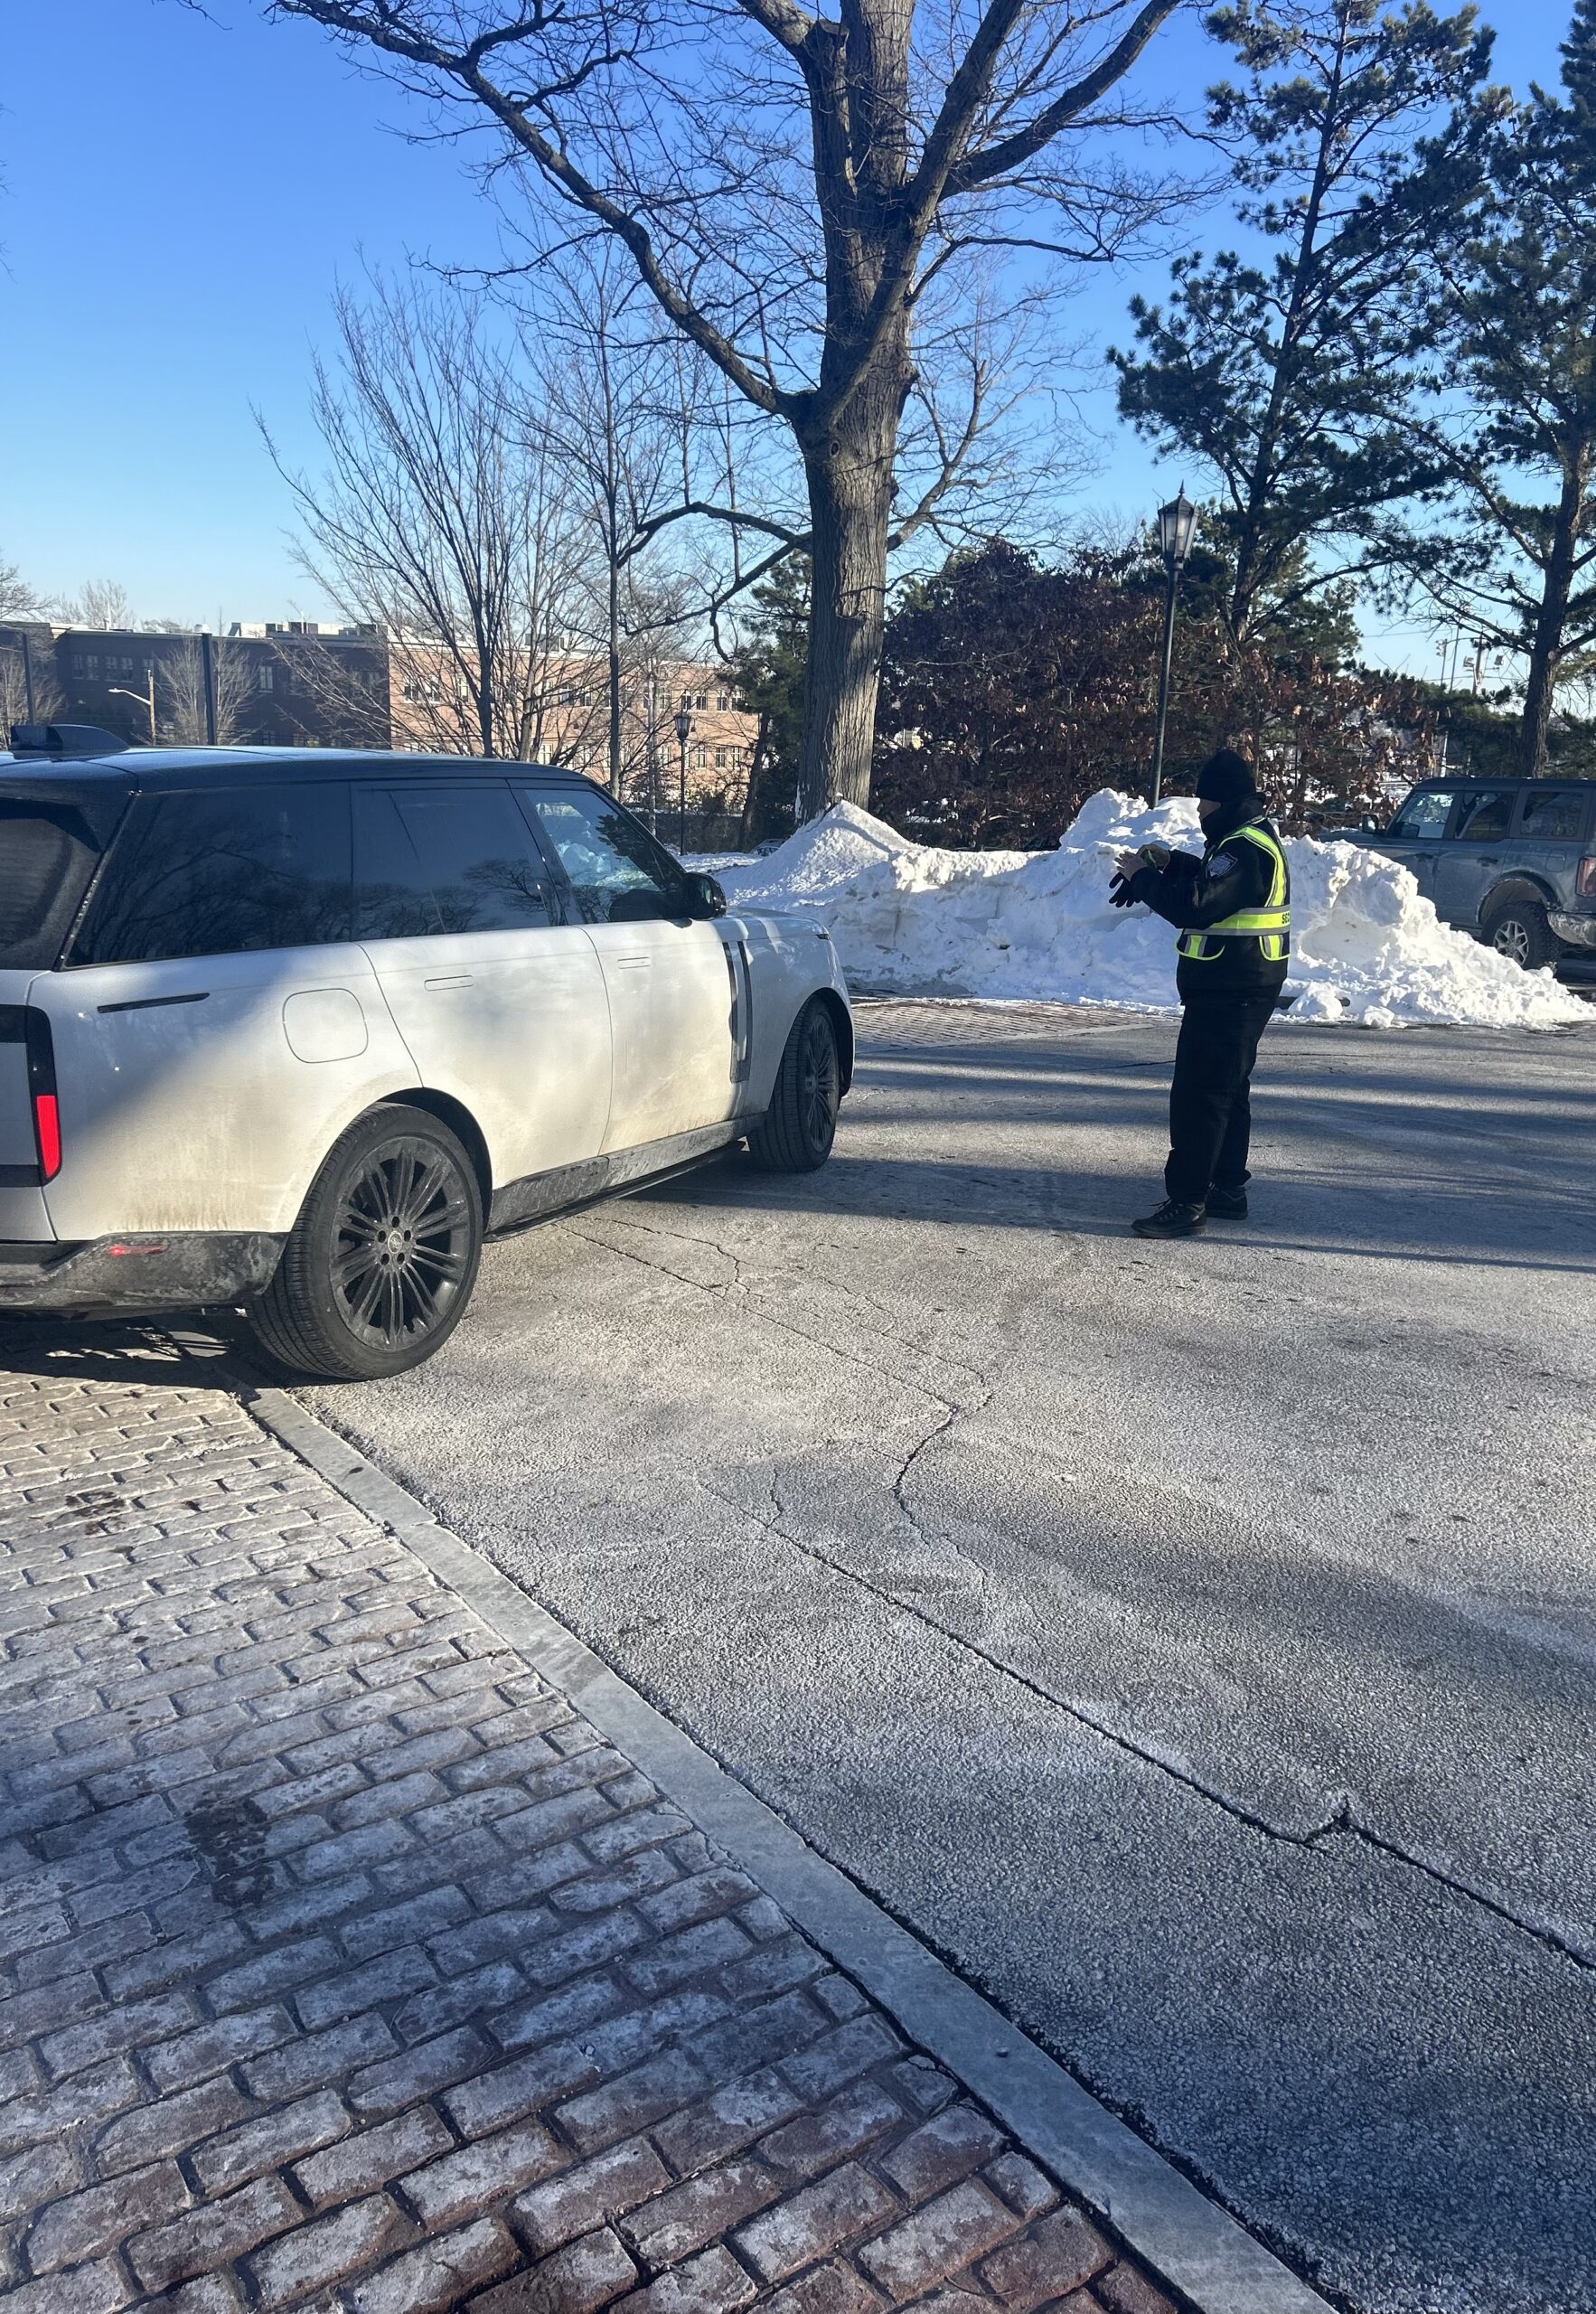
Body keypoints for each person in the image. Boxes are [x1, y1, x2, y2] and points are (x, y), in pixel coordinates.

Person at [1109, 748, 1290, 1238]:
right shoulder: (1242, 839)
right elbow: (1216, 886)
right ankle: (1226, 1188)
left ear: (1220, 801)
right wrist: (1170, 865)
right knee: (1227, 1089)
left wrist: (1143, 877)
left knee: (1200, 1094)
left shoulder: (1244, 847)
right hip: (1238, 983)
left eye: (1203, 801)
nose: (1198, 810)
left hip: (1232, 987)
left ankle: (1188, 1200)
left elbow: (1196, 906)